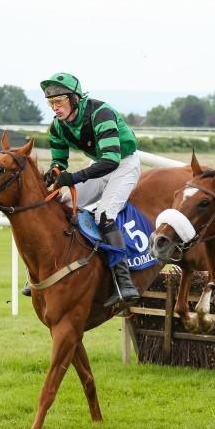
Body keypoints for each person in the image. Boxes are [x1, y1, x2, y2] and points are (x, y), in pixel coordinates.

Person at [23, 72, 140, 308]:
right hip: (100, 165)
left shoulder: (100, 113)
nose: (54, 108)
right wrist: (54, 174)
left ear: (75, 99)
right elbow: (59, 162)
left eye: (59, 102)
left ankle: (123, 281)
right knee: (61, 204)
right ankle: (41, 272)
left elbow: (111, 160)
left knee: (104, 215)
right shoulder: (58, 126)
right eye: (51, 103)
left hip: (123, 164)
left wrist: (74, 177)